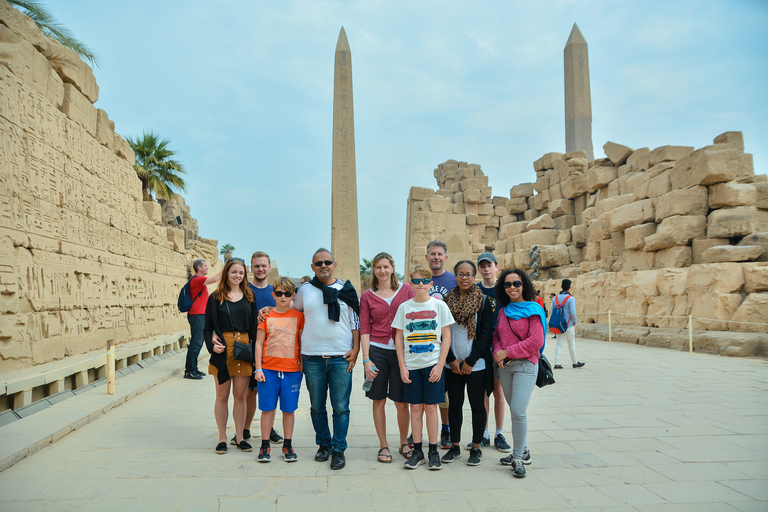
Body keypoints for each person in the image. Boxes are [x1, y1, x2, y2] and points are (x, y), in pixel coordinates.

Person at [293, 248, 360, 470]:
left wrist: (356, 348)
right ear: (312, 267)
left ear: (335, 264)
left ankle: (339, 449)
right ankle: (324, 444)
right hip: (312, 357)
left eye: (327, 262)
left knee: (341, 407)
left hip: (341, 357)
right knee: (316, 406)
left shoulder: (346, 290)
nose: (324, 265)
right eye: (319, 263)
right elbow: (294, 316)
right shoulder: (304, 291)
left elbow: (355, 322)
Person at [393, 265, 454, 470]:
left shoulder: (439, 306)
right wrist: (402, 366)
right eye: (416, 280)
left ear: (430, 283)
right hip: (411, 365)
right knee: (416, 408)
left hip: (432, 364)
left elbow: (446, 337)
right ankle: (417, 451)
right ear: (411, 283)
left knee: (431, 408)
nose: (420, 284)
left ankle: (433, 451)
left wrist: (439, 365)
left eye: (423, 281)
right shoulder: (404, 307)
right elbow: (399, 338)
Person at [360, 252, 415, 463]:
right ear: (374, 270)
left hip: (402, 351)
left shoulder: (407, 289)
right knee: (378, 400)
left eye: (386, 266)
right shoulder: (367, 296)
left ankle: (403, 442)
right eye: (378, 267)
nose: (382, 270)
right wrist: (366, 359)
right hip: (377, 350)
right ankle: (383, 445)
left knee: (401, 402)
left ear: (392, 268)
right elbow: (365, 328)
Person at [492, 269, 546, 478]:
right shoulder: (504, 311)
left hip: (525, 365)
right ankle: (523, 450)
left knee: (518, 411)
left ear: (524, 285)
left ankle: (517, 458)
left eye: (516, 283)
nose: (512, 287)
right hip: (505, 367)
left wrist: (509, 352)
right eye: (507, 284)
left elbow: (536, 341)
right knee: (514, 410)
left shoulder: (533, 309)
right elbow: (497, 336)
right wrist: (498, 352)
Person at [203, 258, 258, 454]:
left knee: (240, 395)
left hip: (243, 348)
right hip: (223, 349)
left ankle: (240, 437)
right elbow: (207, 327)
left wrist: (255, 354)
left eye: (241, 273)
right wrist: (211, 345)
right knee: (222, 395)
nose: (237, 276)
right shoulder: (216, 297)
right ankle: (222, 438)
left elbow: (253, 328)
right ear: (227, 273)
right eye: (234, 272)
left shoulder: (249, 297)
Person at [441, 260, 494, 467]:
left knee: (477, 405)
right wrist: (451, 360)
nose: (465, 277)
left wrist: (470, 361)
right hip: (452, 363)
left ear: (474, 277)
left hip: (476, 364)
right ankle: (454, 446)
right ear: (455, 276)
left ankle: (476, 447)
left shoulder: (483, 301)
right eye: (461, 274)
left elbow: (485, 334)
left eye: (469, 274)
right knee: (455, 405)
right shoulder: (445, 302)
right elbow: (441, 333)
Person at [254, 277, 304, 463]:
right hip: (268, 370)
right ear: (273, 295)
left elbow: (301, 342)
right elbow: (259, 344)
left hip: (292, 371)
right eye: (280, 293)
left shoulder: (299, 317)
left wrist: (302, 370)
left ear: (293, 296)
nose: (283, 297)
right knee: (267, 408)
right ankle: (265, 444)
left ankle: (288, 444)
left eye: (288, 294)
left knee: (289, 410)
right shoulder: (266, 316)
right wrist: (258, 368)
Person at [243, 252, 281, 445]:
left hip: (271, 349)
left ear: (269, 268)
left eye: (263, 266)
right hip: (248, 347)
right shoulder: (244, 291)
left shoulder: (276, 293)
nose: (260, 269)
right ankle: (245, 428)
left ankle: (269, 428)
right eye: (257, 266)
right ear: (251, 268)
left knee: (270, 392)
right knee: (249, 392)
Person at [475, 252, 511, 453]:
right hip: (481, 346)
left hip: (501, 348)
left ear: (497, 266)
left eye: (490, 265)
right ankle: (484, 432)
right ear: (479, 269)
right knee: (482, 392)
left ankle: (499, 432)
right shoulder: (475, 290)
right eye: (483, 266)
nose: (486, 269)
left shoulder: (505, 289)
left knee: (498, 390)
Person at [425, 240, 455, 448]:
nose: (436, 257)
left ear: (445, 257)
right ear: (427, 257)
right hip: (423, 344)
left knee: (444, 393)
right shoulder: (419, 280)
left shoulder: (453, 280)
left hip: (447, 342)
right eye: (432, 254)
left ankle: (446, 428)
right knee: (422, 391)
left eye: (439, 254)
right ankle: (417, 430)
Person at [184, 259, 220, 380]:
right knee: (196, 343)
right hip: (197, 316)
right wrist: (227, 268)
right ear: (199, 268)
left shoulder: (200, 282)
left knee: (198, 343)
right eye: (205, 266)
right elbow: (215, 279)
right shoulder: (197, 279)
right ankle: (189, 370)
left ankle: (194, 368)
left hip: (200, 316)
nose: (207, 268)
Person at [551, 279, 585, 369]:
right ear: (570, 287)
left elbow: (552, 311)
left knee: (558, 343)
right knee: (571, 344)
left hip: (559, 325)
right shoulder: (570, 298)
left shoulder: (555, 298)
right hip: (568, 324)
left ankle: (557, 363)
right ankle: (575, 362)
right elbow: (573, 312)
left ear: (561, 286)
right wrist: (575, 321)